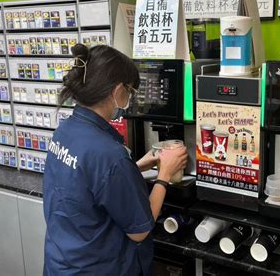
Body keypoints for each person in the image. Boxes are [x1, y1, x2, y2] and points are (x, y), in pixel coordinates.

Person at [43, 44, 187, 275]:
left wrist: (135, 166)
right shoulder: (109, 154)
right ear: (118, 89)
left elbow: (88, 182)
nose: (129, 97)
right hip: (101, 267)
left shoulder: (65, 131)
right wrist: (164, 175)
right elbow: (139, 230)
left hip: (64, 261)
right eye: (130, 90)